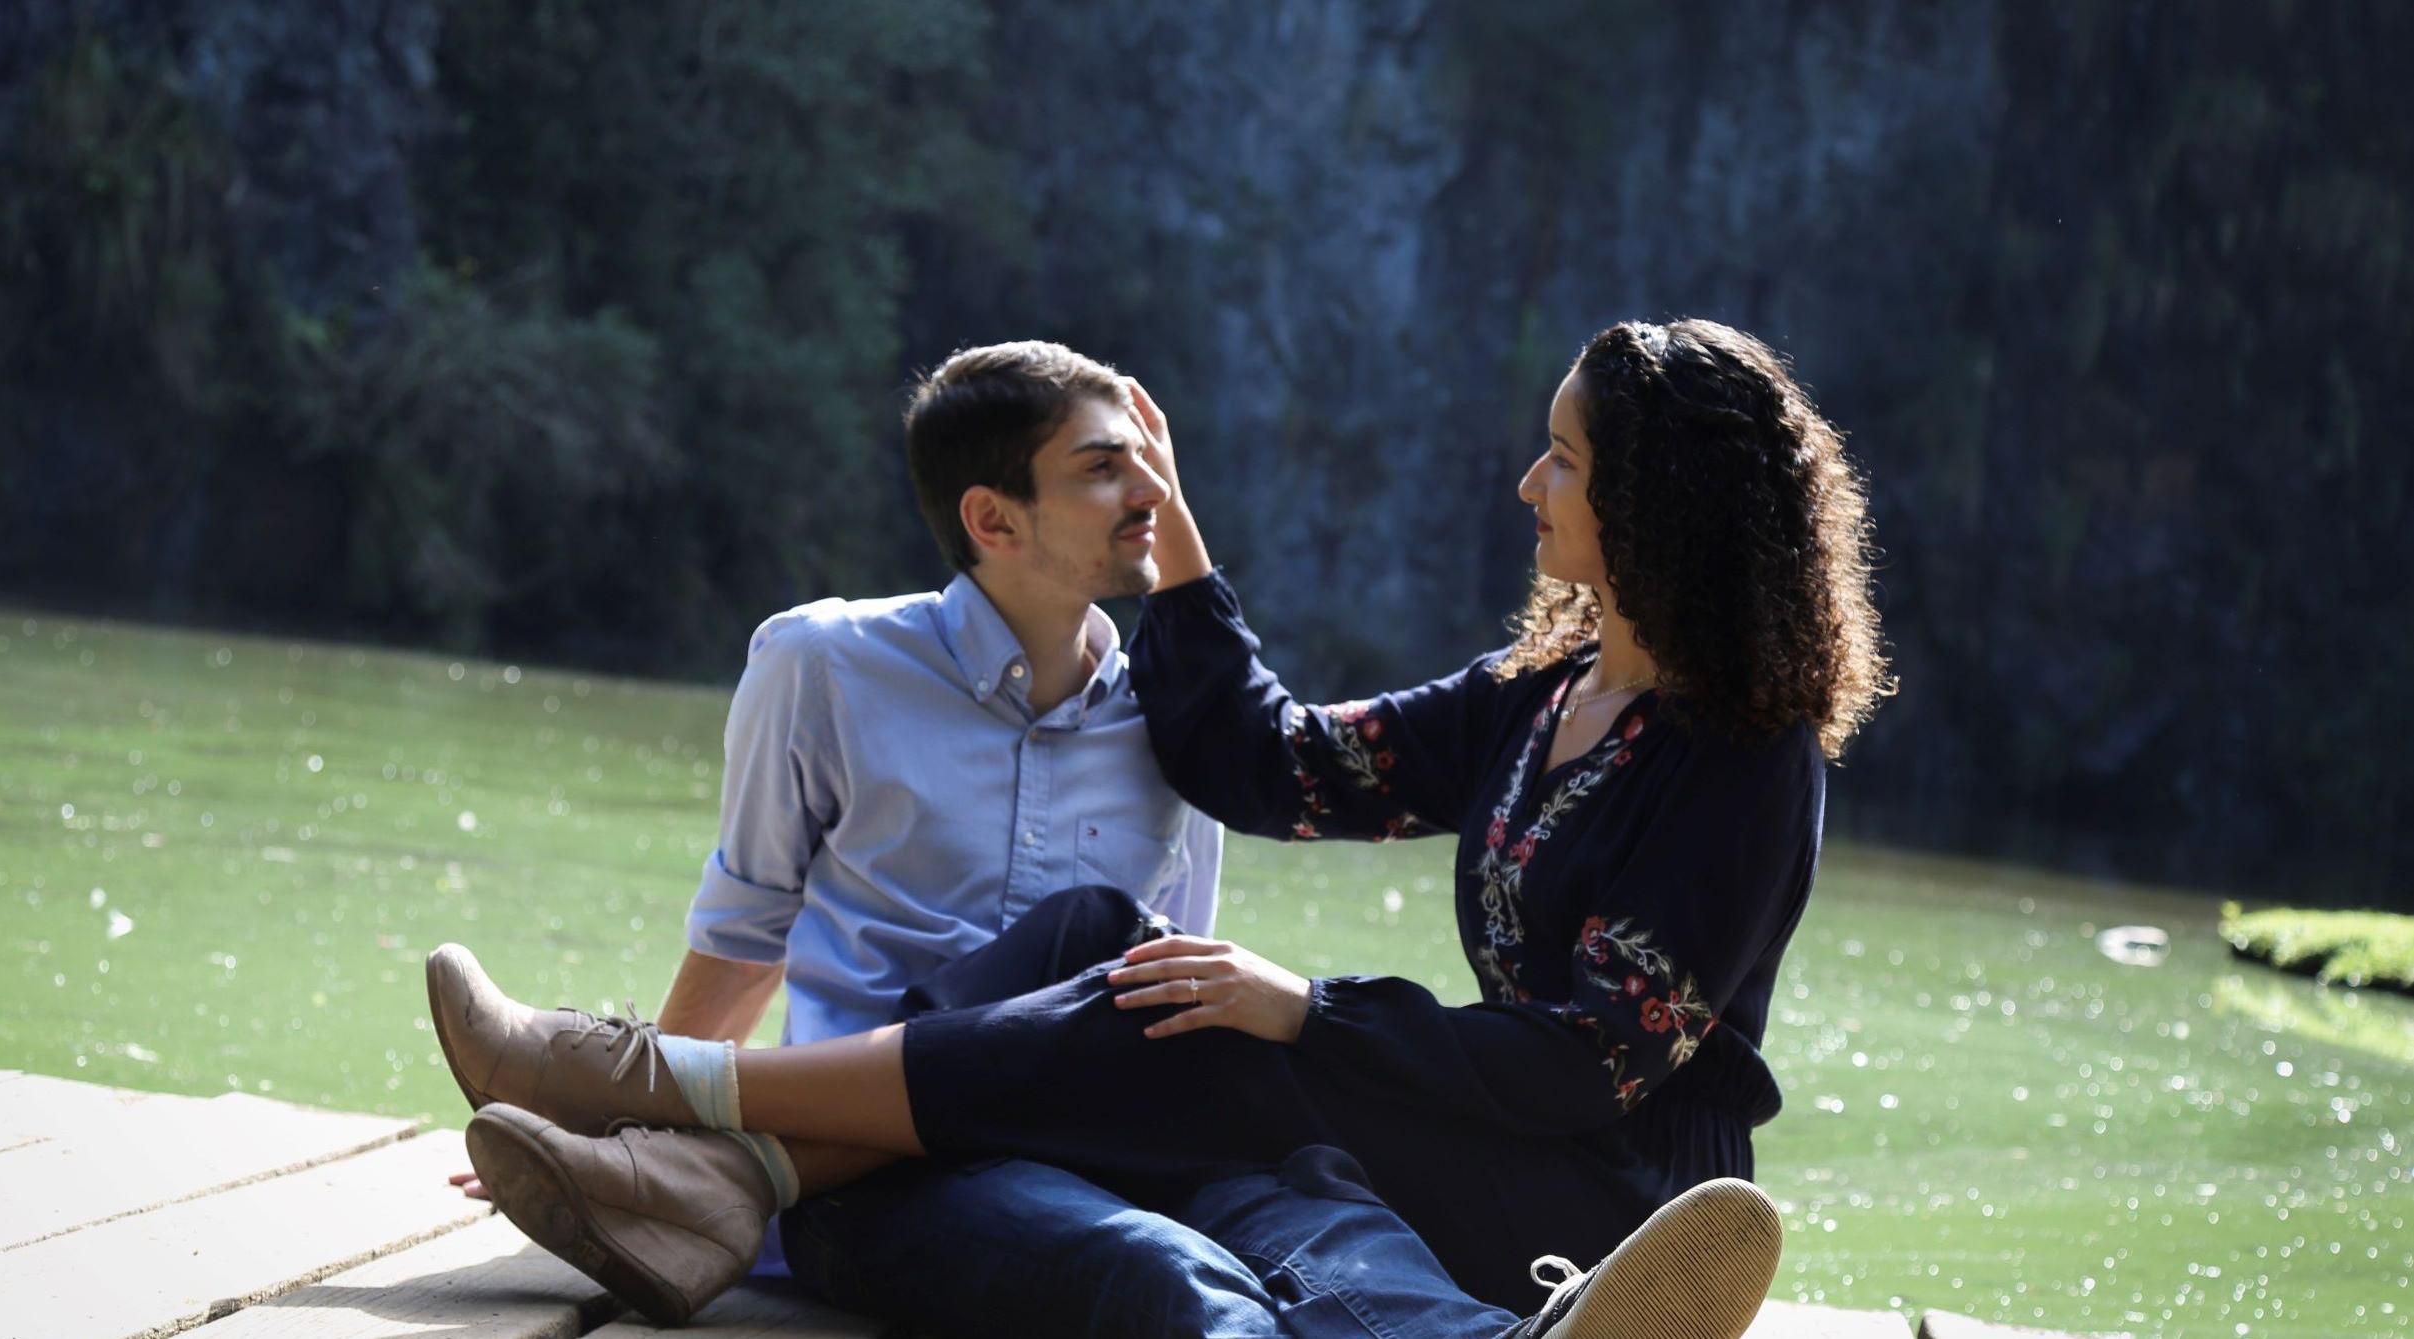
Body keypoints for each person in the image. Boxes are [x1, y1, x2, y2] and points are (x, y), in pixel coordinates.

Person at [438, 318, 1885, 1333]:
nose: (1527, 484)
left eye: (1561, 459)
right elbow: (1277, 767)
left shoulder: (1743, 760)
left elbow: (1583, 1066)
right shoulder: (1539, 696)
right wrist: (1175, 531)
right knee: (1109, 949)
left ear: (1659, 503)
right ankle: (696, 1140)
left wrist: (1305, 1011)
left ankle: (645, 1087)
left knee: (1203, 1032)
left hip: (1619, 1200)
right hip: (1474, 1131)